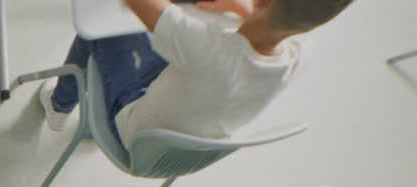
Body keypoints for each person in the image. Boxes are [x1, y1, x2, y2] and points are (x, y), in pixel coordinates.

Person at [38, 0, 355, 148]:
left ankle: (59, 107)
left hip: (134, 127)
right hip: (189, 138)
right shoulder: (302, 52)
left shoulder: (207, 48)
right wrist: (246, 11)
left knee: (97, 31)